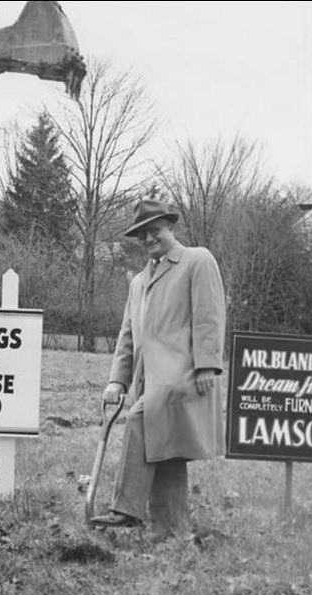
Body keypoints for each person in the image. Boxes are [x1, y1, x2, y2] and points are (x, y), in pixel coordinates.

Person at [90, 199, 226, 540]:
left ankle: (126, 510)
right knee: (166, 452)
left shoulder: (197, 260)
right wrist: (116, 381)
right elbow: (127, 336)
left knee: (140, 421)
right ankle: (171, 530)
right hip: (149, 381)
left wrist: (207, 365)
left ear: (170, 227)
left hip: (183, 375)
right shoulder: (139, 282)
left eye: (155, 231)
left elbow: (209, 315)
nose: (150, 238)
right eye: (143, 235)